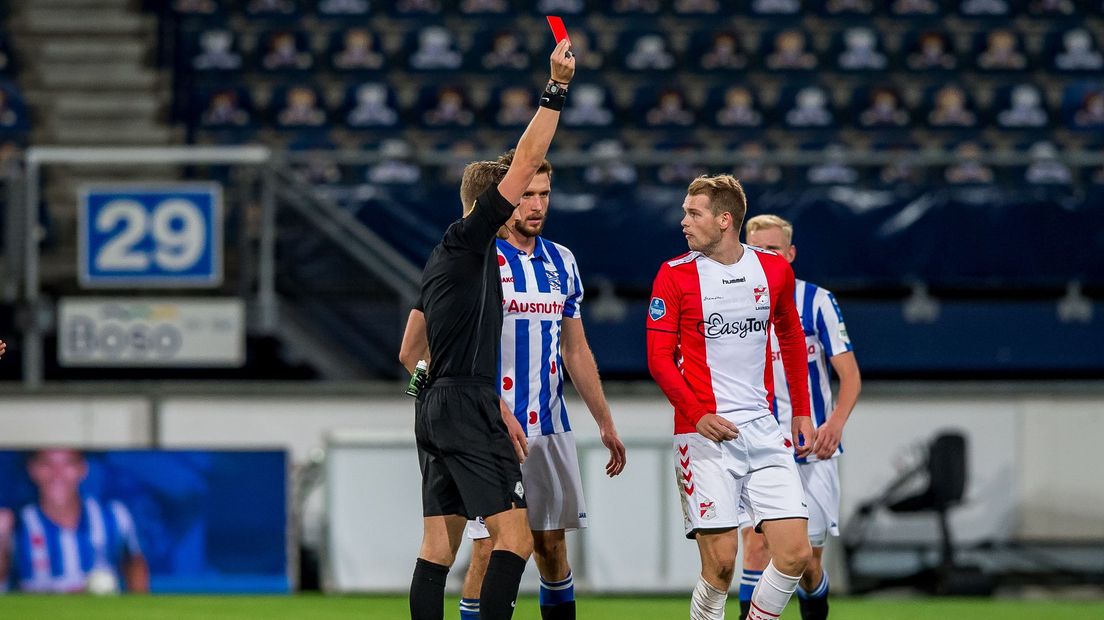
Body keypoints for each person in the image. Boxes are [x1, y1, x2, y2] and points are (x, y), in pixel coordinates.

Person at [399, 38, 575, 620]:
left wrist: (440, 394)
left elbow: (408, 352)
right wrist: (555, 89)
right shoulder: (469, 241)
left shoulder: (442, 260)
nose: (525, 201)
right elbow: (525, 160)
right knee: (517, 538)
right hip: (464, 403)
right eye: (514, 198)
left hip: (439, 404)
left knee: (437, 547)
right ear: (489, 208)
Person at [453, 150, 628, 620]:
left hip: (549, 426)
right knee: (491, 550)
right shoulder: (478, 258)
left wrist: (605, 422)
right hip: (491, 428)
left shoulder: (561, 261)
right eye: (526, 194)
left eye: (544, 194)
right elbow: (443, 347)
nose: (536, 205)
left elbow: (576, 350)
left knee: (551, 550)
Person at [647, 174, 815, 620]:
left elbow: (792, 338)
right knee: (721, 565)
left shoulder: (774, 269)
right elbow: (659, 359)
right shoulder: (674, 274)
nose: (683, 221)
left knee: (796, 554)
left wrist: (801, 411)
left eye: (693, 212)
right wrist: (697, 414)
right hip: (703, 436)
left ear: (725, 220)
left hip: (762, 429)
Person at [737, 215, 863, 620]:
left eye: (773, 250)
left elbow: (850, 375)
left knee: (807, 563)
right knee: (756, 546)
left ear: (789, 254)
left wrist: (836, 424)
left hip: (812, 450)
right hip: (757, 445)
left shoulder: (817, 301)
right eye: (757, 250)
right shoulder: (736, 303)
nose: (764, 257)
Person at [7, 449, 148, 593]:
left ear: (82, 469)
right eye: (46, 464)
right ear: (32, 469)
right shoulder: (16, 521)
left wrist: (138, 600)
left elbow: (134, 561)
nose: (57, 475)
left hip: (101, 611)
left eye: (67, 464)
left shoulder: (114, 515)